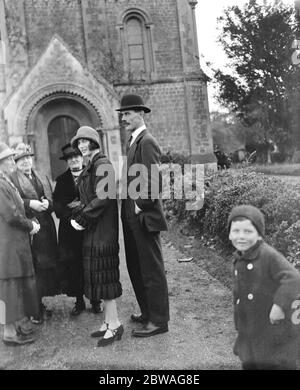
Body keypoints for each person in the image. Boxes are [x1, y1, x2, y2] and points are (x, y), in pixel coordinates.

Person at [117, 94, 170, 337]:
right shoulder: (133, 141)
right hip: (130, 212)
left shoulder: (146, 141)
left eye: (128, 113)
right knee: (136, 265)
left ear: (141, 113)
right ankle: (148, 311)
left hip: (142, 213)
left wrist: (141, 204)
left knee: (151, 268)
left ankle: (159, 321)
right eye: (123, 114)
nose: (124, 118)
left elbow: (153, 179)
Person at [227, 204, 300, 370]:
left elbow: (293, 278)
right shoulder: (240, 258)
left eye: (248, 232)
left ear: (259, 235)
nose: (241, 237)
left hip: (272, 330)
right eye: (236, 231)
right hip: (250, 327)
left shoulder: (268, 255)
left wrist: (280, 305)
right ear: (229, 234)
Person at [70, 126, 123, 347]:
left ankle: (115, 324)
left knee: (106, 277)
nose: (82, 145)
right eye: (79, 142)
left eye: (85, 141)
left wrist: (82, 218)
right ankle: (108, 322)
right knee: (99, 277)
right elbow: (88, 195)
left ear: (94, 142)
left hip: (103, 230)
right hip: (95, 229)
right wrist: (77, 209)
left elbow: (104, 197)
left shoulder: (103, 164)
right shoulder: (91, 165)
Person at [10, 143, 59, 323]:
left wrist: (47, 203)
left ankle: (39, 303)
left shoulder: (40, 175)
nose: (25, 162)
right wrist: (30, 203)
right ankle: (33, 310)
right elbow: (12, 202)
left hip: (46, 228)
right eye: (21, 160)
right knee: (33, 268)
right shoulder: (12, 179)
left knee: (44, 268)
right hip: (29, 229)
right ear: (15, 162)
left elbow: (50, 197)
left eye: (28, 158)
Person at [0, 142, 40, 345]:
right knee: (8, 289)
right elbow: (11, 215)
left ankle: (14, 327)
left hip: (13, 244)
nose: (11, 162)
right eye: (8, 159)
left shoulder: (5, 180)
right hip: (8, 246)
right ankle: (8, 333)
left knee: (13, 288)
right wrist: (30, 225)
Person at [53, 143, 86, 316]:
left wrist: (83, 210)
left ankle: (96, 300)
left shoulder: (93, 175)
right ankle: (79, 301)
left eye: (76, 156)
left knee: (91, 264)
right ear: (67, 161)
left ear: (82, 157)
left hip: (89, 227)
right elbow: (58, 207)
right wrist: (71, 214)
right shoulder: (61, 180)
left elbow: (99, 200)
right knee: (74, 265)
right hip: (69, 230)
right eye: (70, 158)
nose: (74, 160)